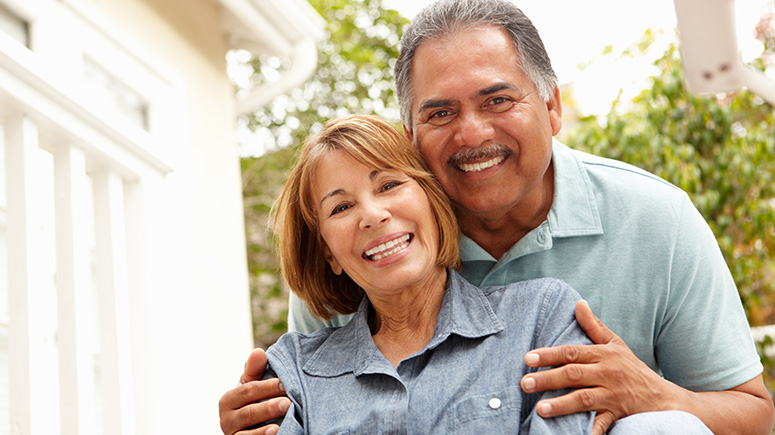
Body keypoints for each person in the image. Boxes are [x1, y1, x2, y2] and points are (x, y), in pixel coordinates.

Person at [219, 1, 774, 434]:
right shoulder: (379, 245)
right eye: (440, 113)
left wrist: (656, 394)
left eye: (497, 100)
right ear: (410, 138)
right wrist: (260, 417)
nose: (472, 134)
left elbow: (755, 416)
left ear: (552, 107)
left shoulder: (654, 219)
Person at [248, 114, 711, 434]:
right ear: (328, 251)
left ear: (432, 200)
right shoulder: (291, 372)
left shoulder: (544, 318)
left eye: (389, 184)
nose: (372, 215)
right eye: (342, 207)